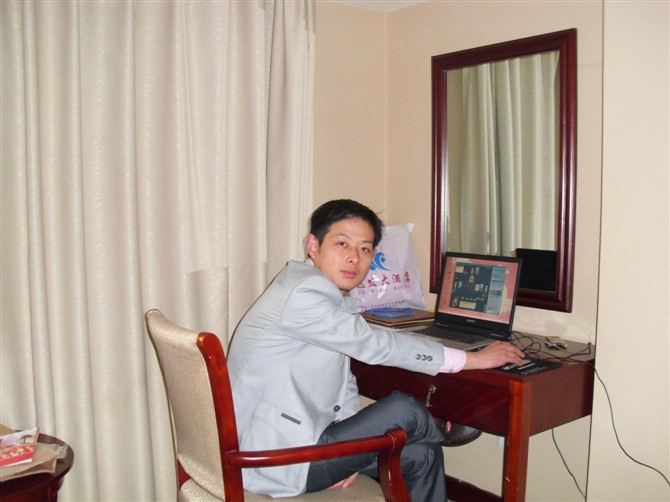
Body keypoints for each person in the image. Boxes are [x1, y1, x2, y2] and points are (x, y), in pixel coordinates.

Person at [227, 199, 525, 500]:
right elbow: (372, 344)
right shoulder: (302, 293)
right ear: (313, 245)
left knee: (423, 454)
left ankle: (429, 427)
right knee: (405, 409)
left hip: (307, 438)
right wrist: (471, 359)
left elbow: (343, 380)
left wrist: (353, 451)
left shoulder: (329, 293)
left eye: (365, 249)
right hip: (274, 456)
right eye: (342, 244)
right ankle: (438, 424)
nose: (354, 258)